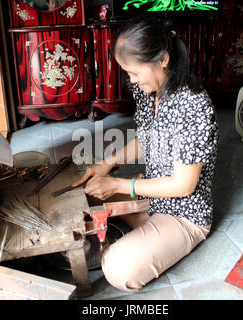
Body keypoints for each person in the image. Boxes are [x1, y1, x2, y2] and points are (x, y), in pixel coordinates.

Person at [71, 16, 219, 292]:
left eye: (135, 73)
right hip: (151, 194)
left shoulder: (193, 105)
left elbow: (183, 185)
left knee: (118, 269)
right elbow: (149, 139)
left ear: (162, 60)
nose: (132, 80)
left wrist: (119, 185)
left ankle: (149, 229)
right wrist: (107, 164)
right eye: (128, 73)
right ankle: (143, 223)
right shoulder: (148, 90)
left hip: (184, 214)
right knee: (85, 194)